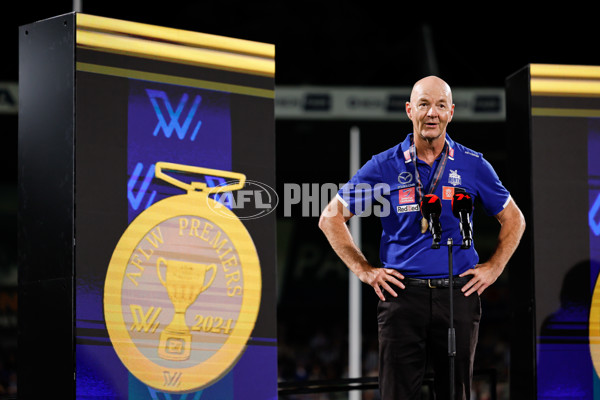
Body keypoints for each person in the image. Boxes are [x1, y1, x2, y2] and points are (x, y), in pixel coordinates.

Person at [318, 76, 525, 400]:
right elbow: (330, 217)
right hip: (402, 295)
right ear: (409, 110)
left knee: (454, 394)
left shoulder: (473, 164)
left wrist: (495, 267)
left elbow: (514, 219)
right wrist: (364, 270)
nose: (432, 113)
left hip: (458, 295)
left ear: (451, 112)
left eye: (440, 105)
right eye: (424, 104)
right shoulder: (383, 165)